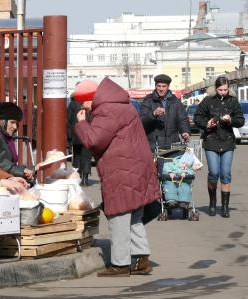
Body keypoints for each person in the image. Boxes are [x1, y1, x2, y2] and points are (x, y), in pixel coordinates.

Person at [74, 78, 160, 277]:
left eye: (83, 102)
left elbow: (94, 141)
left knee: (119, 215)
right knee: (135, 215)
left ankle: (120, 264)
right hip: (136, 167)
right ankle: (141, 259)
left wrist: (81, 124)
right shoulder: (122, 105)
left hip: (121, 169)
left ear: (89, 98)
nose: (83, 106)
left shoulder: (106, 110)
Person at [194, 76, 245, 218]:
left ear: (229, 88)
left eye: (225, 89)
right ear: (215, 89)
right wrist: (207, 124)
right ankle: (212, 203)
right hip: (211, 140)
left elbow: (240, 121)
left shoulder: (233, 101)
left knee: (225, 173)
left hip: (228, 141)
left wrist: (231, 120)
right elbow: (197, 118)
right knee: (214, 172)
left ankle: (225, 207)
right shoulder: (208, 101)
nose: (223, 92)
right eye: (220, 89)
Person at [0, 102, 35, 181]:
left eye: (17, 123)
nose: (15, 127)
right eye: (12, 122)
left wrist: (26, 169)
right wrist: (22, 171)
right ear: (1, 120)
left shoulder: (1, 132)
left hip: (0, 177)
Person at [140, 74, 191, 150]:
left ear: (168, 87)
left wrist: (185, 131)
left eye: (164, 86)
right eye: (159, 86)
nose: (161, 89)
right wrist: (153, 114)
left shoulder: (175, 102)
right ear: (155, 86)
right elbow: (142, 120)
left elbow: (182, 119)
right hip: (154, 145)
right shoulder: (148, 100)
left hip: (172, 144)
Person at [67, 90, 93, 186]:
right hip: (88, 134)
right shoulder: (90, 103)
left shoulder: (72, 104)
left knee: (77, 156)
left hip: (76, 135)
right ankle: (85, 179)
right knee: (86, 157)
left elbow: (68, 120)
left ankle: (78, 177)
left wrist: (69, 136)